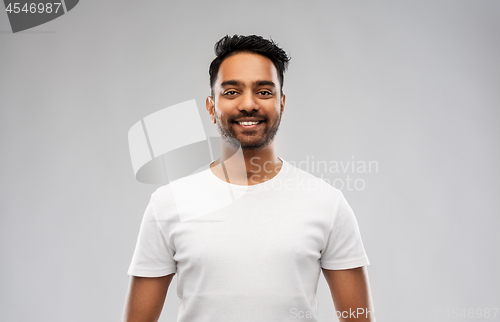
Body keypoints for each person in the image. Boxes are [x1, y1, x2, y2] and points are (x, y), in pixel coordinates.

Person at [122, 34, 375, 322]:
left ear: (281, 103)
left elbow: (358, 318)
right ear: (210, 106)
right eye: (231, 92)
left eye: (264, 92)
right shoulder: (168, 204)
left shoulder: (327, 203)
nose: (248, 104)